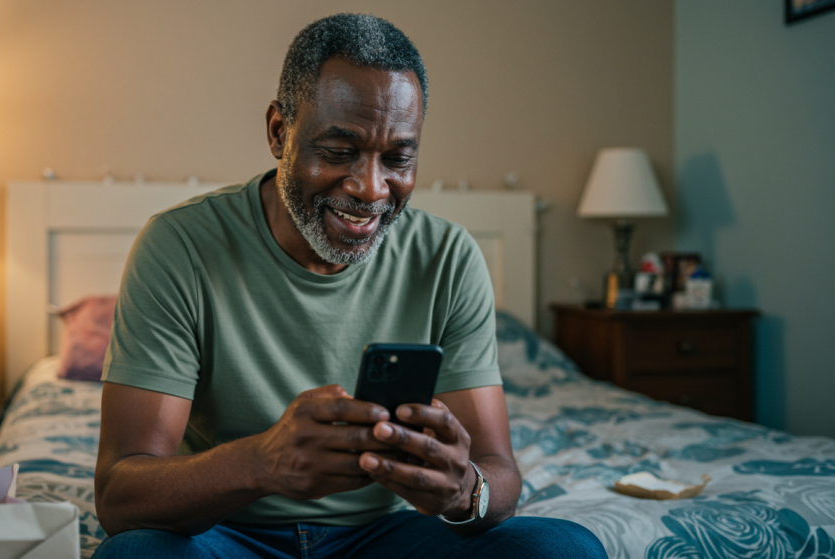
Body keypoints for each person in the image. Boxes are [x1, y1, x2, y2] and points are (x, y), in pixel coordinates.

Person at [93, 13, 607, 558]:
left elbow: (498, 474)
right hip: (225, 535)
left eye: (398, 158)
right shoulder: (182, 245)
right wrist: (262, 463)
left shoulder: (447, 257)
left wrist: (463, 491)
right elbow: (120, 496)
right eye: (339, 152)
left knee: (565, 549)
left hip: (388, 536)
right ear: (279, 132)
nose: (371, 189)